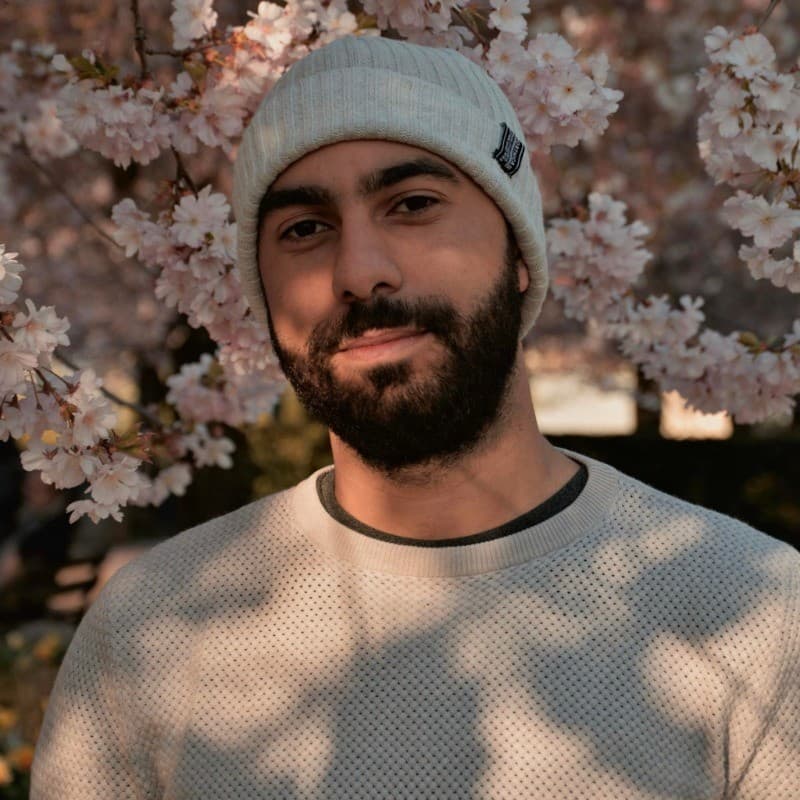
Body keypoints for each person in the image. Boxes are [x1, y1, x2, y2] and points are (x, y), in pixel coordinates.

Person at [31, 35, 799, 799]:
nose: (360, 272)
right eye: (304, 229)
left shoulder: (758, 615)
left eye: (413, 205)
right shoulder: (152, 628)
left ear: (520, 254)